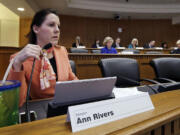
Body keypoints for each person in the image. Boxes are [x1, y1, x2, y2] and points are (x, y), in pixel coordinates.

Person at [7, 9, 78, 107]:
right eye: (51, 25)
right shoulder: (19, 59)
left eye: (58, 26)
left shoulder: (62, 51)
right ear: (36, 29)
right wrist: (17, 64)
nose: (57, 30)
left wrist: (82, 91)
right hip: (41, 109)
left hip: (66, 104)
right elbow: (16, 103)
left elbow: (71, 78)